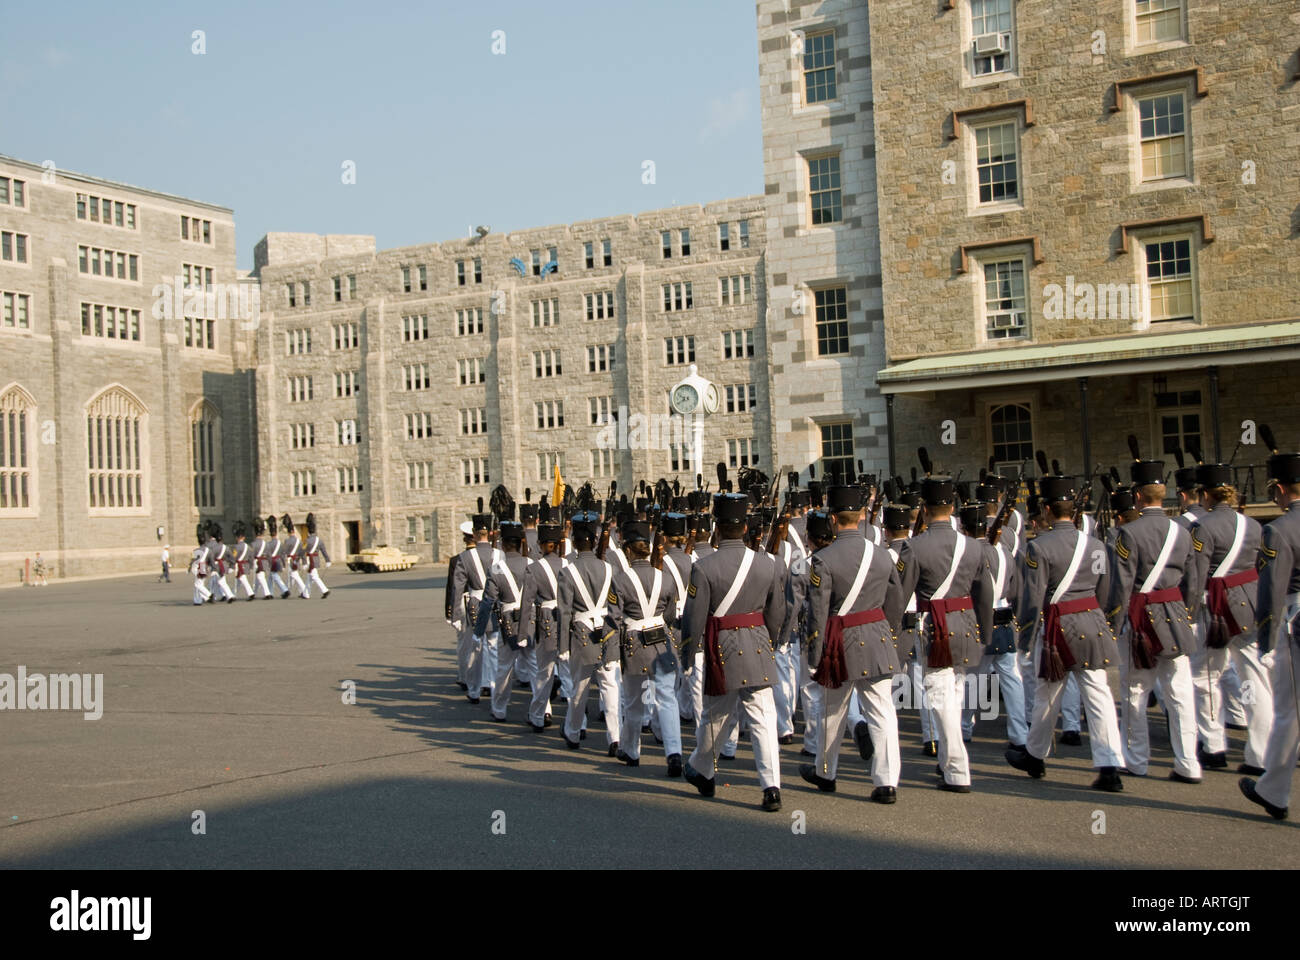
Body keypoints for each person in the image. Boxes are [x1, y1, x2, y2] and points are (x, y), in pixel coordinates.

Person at [1006, 476, 1125, 791]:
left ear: (1046, 510)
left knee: (1047, 694)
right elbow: (1106, 589)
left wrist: (1026, 637)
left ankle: (1035, 755)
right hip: (1094, 622)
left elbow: (1032, 598)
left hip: (1059, 626)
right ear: (1074, 511)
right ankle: (1109, 764)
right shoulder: (1097, 546)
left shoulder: (1037, 547)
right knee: (1098, 694)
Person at [680, 492, 788, 812]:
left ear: (717, 525)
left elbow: (694, 618)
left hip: (721, 647)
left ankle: (704, 770)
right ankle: (771, 787)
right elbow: (777, 610)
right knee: (763, 718)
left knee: (714, 715)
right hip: (757, 642)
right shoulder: (766, 565)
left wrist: (688, 655)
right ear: (743, 527)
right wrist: (771, 641)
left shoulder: (703, 567)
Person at [890, 476, 994, 793]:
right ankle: (948, 761)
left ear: (924, 507)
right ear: (952, 507)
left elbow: (899, 595)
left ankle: (957, 771)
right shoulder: (975, 546)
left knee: (940, 696)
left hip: (936, 627)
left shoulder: (914, 546)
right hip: (966, 622)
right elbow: (985, 593)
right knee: (955, 693)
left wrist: (892, 633)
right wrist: (985, 632)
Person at [801, 482, 903, 803]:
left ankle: (826, 772)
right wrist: (889, 633)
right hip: (876, 636)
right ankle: (886, 782)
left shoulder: (823, 559)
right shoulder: (884, 555)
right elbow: (896, 601)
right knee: (882, 712)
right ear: (861, 516)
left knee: (833, 711)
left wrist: (814, 655)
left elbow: (818, 613)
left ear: (832, 519)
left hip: (838, 641)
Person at [1107, 454, 1202, 783]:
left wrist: (1115, 623)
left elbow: (1121, 586)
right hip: (1175, 614)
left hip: (1140, 617)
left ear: (1137, 496)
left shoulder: (1127, 534)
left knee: (1135, 691)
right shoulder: (1184, 532)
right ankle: (1188, 762)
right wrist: (1187, 614)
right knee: (1179, 693)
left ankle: (1136, 760)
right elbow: (1194, 580)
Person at [1184, 462, 1267, 773]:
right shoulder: (1253, 525)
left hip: (1215, 609)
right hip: (1250, 603)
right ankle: (1259, 753)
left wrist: (1190, 612)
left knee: (1206, 678)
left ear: (1204, 495)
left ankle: (1214, 745)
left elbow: (1196, 577)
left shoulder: (1202, 527)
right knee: (1255, 679)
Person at [1240, 449, 1300, 821]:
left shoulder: (1278, 529)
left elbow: (1271, 592)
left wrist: (1265, 641)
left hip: (1295, 619)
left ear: (1279, 490)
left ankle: (1273, 790)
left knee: (1288, 713)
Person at [607, 520, 682, 775]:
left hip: (634, 645)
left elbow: (614, 618)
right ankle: (674, 753)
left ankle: (631, 750)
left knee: (634, 702)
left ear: (628, 550)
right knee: (667, 699)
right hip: (662, 643)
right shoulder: (666, 578)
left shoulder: (619, 580)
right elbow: (670, 615)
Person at [960, 504, 1027, 751]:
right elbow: (1016, 586)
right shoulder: (1005, 551)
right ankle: (1020, 734)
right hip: (1005, 616)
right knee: (1011, 680)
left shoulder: (970, 552)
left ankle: (965, 728)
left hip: (979, 617)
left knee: (973, 680)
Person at [558, 510, 620, 751]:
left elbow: (564, 612)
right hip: (607, 632)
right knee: (611, 687)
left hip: (582, 633)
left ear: (574, 541)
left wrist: (563, 647)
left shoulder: (567, 571)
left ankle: (573, 732)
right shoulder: (609, 568)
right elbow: (616, 605)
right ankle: (615, 736)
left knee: (579, 689)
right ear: (594, 540)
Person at [475, 520, 532, 722]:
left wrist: (478, 631)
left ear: (504, 544)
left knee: (504, 669)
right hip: (531, 621)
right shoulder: (532, 565)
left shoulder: (497, 569)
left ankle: (499, 708)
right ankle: (543, 711)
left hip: (508, 621)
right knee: (537, 670)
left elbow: (487, 602)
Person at [519, 513, 565, 732]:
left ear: (540, 545)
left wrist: (522, 634)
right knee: (569, 674)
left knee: (543, 673)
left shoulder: (534, 568)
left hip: (546, 621)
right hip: (568, 622)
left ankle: (539, 714)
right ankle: (580, 722)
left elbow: (527, 603)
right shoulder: (569, 564)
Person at [450, 501, 499, 702]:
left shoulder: (464, 557)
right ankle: (493, 685)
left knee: (475, 649)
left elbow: (458, 587)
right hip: (494, 603)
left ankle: (474, 689)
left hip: (475, 604)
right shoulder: (499, 554)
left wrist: (455, 615)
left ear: (475, 533)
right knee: (493, 648)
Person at [299, 512, 331, 599]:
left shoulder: (307, 541)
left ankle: (325, 590)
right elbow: (324, 551)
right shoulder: (319, 540)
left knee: (314, 576)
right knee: (309, 577)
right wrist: (328, 560)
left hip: (310, 560)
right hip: (316, 559)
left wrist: (304, 562)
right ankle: (306, 593)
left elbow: (302, 552)